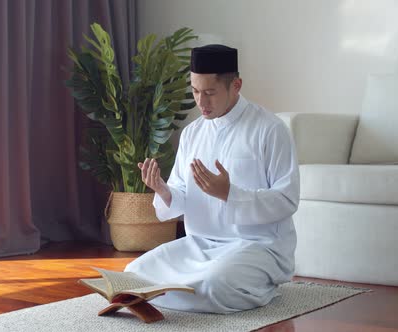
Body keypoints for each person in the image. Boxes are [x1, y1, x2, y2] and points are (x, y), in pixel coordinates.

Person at [124, 44, 300, 313]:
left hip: (257, 247)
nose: (201, 102)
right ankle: (188, 294)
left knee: (213, 285)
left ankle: (262, 287)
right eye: (195, 91)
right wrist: (163, 190)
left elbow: (287, 200)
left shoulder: (270, 129)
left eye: (210, 93)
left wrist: (229, 194)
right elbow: (182, 193)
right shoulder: (192, 133)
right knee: (132, 274)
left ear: (236, 85)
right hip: (200, 246)